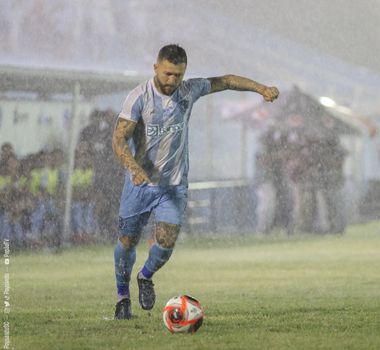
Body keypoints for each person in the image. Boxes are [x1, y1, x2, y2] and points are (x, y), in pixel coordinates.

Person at [112, 44, 279, 319]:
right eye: (167, 74)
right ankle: (122, 297)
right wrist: (132, 167)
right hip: (139, 185)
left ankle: (145, 276)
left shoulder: (189, 91)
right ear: (156, 68)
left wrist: (260, 88)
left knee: (166, 242)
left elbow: (225, 81)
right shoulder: (138, 98)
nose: (172, 81)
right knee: (127, 241)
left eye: (178, 75)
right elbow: (118, 139)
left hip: (173, 186)